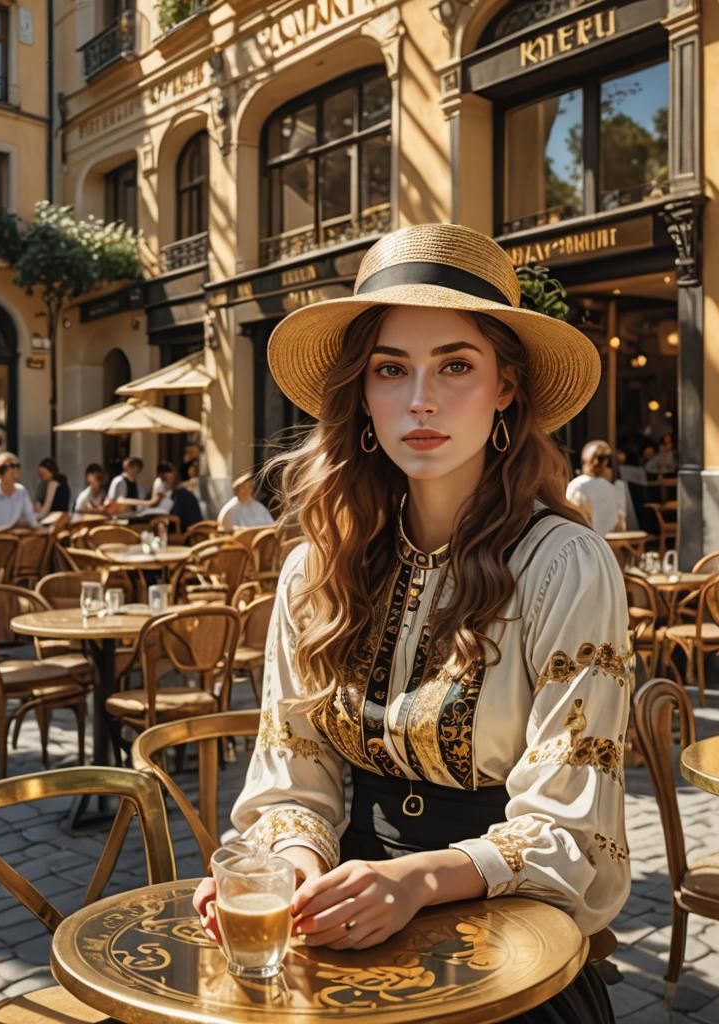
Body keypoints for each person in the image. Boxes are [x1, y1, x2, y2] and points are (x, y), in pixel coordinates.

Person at [192, 224, 628, 1022]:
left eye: (455, 365)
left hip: (507, 945)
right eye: (391, 370)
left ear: (505, 388)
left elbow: (575, 819)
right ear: (361, 394)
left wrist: (420, 877)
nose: (420, 399)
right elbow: (294, 768)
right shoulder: (315, 566)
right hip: (344, 936)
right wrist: (289, 868)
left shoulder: (564, 564)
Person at [566, 440, 626, 536]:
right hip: (606, 544)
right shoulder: (611, 488)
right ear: (605, 463)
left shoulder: (577, 485)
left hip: (585, 541)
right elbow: (619, 524)